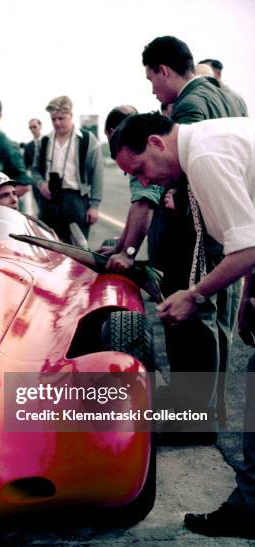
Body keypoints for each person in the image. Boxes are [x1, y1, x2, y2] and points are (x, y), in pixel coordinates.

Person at [110, 112, 255, 537]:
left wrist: (194, 294)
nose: (147, 181)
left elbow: (247, 248)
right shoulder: (208, 142)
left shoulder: (206, 156)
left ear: (156, 143)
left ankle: (249, 508)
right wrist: (248, 299)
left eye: (139, 169)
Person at [142, 35, 240, 436]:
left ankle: (193, 418)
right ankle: (207, 410)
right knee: (216, 320)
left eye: (151, 78)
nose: (151, 88)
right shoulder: (229, 96)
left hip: (195, 231)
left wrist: (177, 196)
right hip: (222, 226)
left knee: (192, 317)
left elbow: (187, 162)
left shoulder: (190, 105)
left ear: (164, 70)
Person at [31, 95, 103, 243]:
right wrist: (41, 184)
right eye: (53, 119)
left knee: (77, 249)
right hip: (49, 199)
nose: (57, 123)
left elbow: (97, 174)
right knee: (47, 246)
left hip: (76, 200)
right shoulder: (45, 141)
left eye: (61, 118)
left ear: (71, 115)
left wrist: (94, 205)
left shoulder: (87, 140)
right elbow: (35, 170)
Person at [100, 105, 164, 272]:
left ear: (113, 132)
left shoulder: (135, 155)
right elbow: (137, 203)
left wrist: (127, 254)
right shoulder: (148, 144)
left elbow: (143, 204)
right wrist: (119, 248)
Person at [23, 118, 44, 218]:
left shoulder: (48, 142)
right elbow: (25, 166)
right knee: (40, 206)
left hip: (49, 180)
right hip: (35, 182)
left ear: (40, 127)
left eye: (34, 127)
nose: (32, 129)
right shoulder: (28, 147)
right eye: (30, 127)